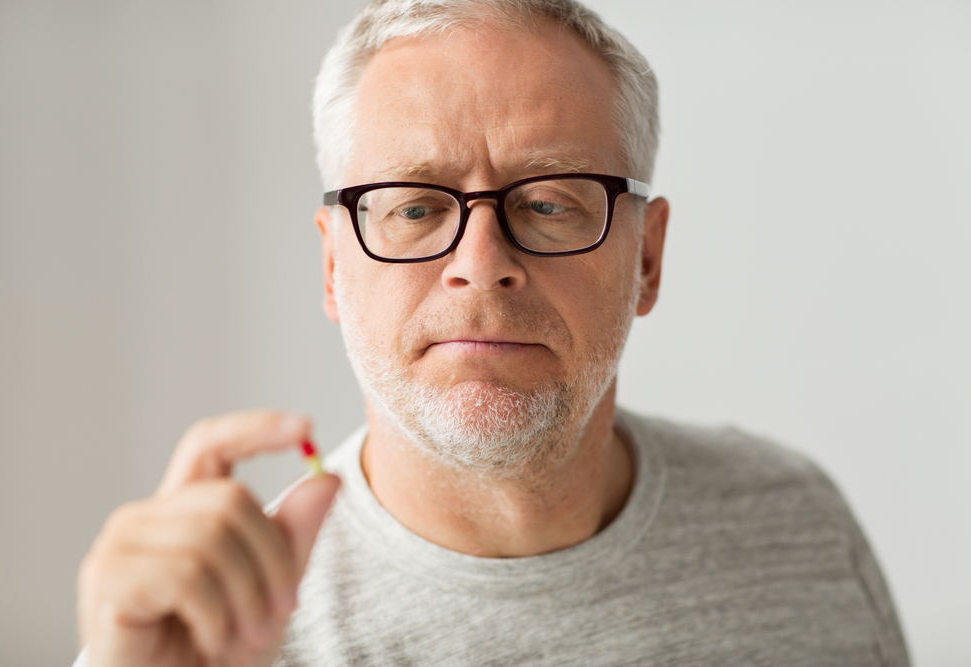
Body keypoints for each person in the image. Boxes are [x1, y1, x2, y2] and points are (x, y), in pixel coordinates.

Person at [73, 0, 910, 665]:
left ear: (646, 259)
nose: (482, 262)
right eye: (413, 206)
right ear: (334, 269)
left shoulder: (796, 525)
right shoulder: (206, 633)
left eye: (549, 202)